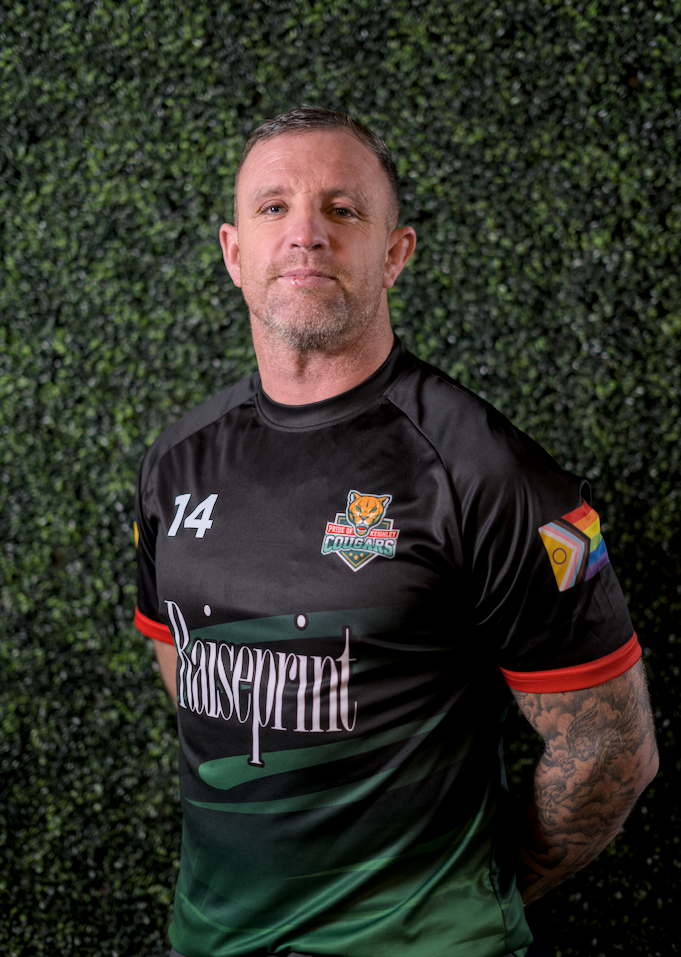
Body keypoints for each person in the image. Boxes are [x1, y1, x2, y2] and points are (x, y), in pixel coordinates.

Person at [133, 107, 658, 957]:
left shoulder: (495, 474)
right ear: (233, 252)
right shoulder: (176, 459)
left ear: (394, 253)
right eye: (274, 207)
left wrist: (467, 897)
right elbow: (189, 672)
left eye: (342, 210)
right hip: (212, 940)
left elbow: (610, 751)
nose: (305, 233)